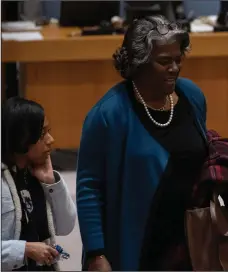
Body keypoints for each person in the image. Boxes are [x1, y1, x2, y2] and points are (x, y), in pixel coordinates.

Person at [76, 15, 207, 271]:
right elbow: (89, 188)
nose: (175, 68)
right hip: (139, 242)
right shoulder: (108, 114)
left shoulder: (192, 96)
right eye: (164, 61)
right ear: (139, 62)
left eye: (178, 59)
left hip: (190, 239)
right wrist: (96, 253)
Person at [1, 97, 77, 271]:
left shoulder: (38, 176)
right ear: (22, 138)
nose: (51, 139)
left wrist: (52, 183)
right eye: (42, 134)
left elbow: (66, 226)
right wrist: (25, 249)